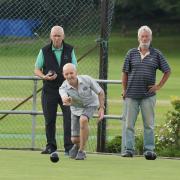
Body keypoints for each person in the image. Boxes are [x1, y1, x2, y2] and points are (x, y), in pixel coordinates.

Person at [121, 25, 171, 160]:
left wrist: (159, 86)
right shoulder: (131, 53)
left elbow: (167, 70)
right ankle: (129, 150)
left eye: (147, 36)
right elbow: (125, 72)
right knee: (129, 124)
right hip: (131, 94)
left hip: (148, 96)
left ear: (151, 38)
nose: (144, 39)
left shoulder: (157, 54)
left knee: (148, 125)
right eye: (142, 36)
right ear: (138, 38)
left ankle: (149, 150)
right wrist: (124, 90)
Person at [34, 25, 77, 155]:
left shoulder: (70, 50)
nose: (57, 38)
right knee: (49, 119)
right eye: (54, 35)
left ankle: (69, 147)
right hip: (49, 90)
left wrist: (69, 77)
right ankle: (50, 146)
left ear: (63, 36)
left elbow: (74, 68)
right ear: (50, 36)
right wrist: (44, 76)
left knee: (69, 118)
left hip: (67, 90)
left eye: (59, 35)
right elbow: (36, 69)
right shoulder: (44, 50)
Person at [59, 63, 105, 160]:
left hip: (91, 104)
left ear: (76, 72)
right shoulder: (63, 87)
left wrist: (101, 108)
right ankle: (77, 145)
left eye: (71, 73)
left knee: (83, 120)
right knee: (74, 139)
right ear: (63, 75)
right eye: (66, 74)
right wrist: (67, 100)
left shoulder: (86, 79)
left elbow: (100, 92)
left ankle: (82, 151)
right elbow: (64, 97)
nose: (69, 76)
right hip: (75, 109)